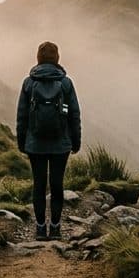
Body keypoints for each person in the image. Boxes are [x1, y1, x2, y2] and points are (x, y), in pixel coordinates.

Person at [16, 41, 82, 240]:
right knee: (56, 185)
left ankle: (39, 228)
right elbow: (74, 115)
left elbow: (22, 116)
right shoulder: (66, 83)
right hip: (61, 144)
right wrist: (76, 141)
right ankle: (55, 228)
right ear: (57, 58)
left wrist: (22, 142)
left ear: (38, 57)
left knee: (38, 185)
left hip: (35, 144)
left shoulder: (28, 83)